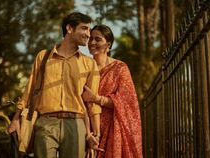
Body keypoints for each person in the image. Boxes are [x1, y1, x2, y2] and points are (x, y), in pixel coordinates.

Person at [8, 12, 102, 158]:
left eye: (89, 30)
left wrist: (95, 134)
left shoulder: (89, 64)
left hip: (76, 124)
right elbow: (30, 89)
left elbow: (92, 104)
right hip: (46, 123)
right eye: (84, 28)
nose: (88, 34)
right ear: (69, 28)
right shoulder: (43, 57)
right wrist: (15, 119)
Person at [82, 25, 143, 158]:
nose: (92, 43)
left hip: (114, 128)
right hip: (88, 129)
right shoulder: (84, 68)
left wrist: (96, 99)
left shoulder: (120, 68)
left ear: (108, 45)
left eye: (97, 39)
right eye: (90, 39)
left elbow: (128, 103)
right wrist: (88, 133)